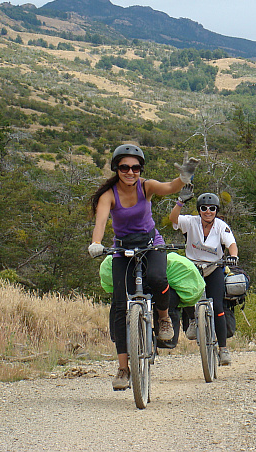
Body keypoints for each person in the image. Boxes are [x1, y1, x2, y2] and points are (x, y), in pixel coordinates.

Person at [89, 144, 198, 390]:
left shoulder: (145, 186)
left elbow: (169, 188)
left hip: (151, 243)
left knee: (159, 278)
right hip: (123, 248)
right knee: (119, 303)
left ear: (140, 169)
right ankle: (123, 368)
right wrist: (96, 243)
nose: (130, 172)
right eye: (125, 167)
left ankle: (163, 319)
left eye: (135, 167)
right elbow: (101, 220)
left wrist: (183, 178)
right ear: (116, 168)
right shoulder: (109, 194)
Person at [169, 186, 238, 365]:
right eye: (204, 208)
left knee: (217, 306)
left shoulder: (221, 226)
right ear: (199, 210)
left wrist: (233, 256)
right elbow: (173, 219)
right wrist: (180, 202)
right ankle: (192, 320)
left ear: (216, 211)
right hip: (193, 267)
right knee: (187, 295)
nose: (208, 212)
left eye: (212, 208)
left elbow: (231, 244)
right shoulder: (190, 222)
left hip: (214, 268)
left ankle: (223, 349)